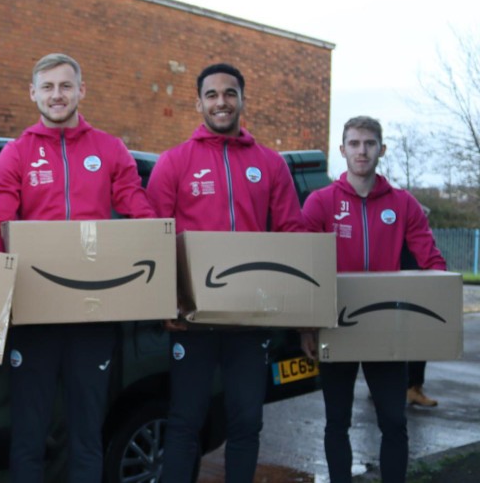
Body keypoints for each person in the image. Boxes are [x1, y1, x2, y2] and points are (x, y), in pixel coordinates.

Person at [0, 53, 155, 482]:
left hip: (92, 314)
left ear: (81, 90)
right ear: (33, 93)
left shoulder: (109, 149)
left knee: (87, 433)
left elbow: (137, 208)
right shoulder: (17, 153)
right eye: (47, 87)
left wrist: (155, 245)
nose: (56, 95)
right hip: (34, 314)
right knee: (29, 434)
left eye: (65, 86)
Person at [145, 63, 305, 482]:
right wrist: (164, 299)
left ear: (242, 100)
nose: (221, 102)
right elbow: (153, 235)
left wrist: (292, 303)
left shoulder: (270, 164)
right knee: (184, 423)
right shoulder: (174, 162)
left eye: (229, 93)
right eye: (212, 95)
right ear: (198, 102)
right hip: (192, 320)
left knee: (246, 424)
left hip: (249, 321)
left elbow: (292, 232)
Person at [299, 116, 446, 483]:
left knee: (394, 422)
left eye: (369, 143)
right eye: (354, 143)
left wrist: (440, 303)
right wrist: (305, 325)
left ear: (382, 149)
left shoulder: (404, 204)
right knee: (337, 421)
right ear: (342, 150)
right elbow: (302, 264)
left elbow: (431, 261)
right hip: (336, 323)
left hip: (385, 328)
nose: (361, 150)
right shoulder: (321, 203)